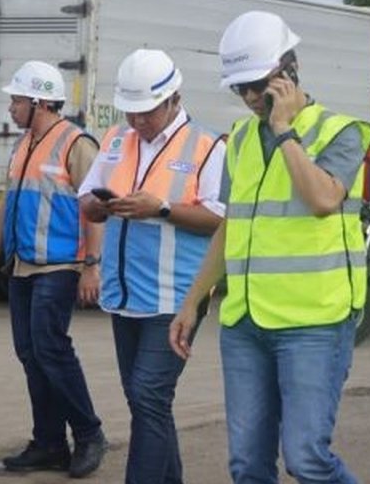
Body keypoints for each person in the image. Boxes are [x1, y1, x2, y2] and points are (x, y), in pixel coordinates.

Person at [170, 11, 370, 484]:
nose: (251, 98)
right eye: (241, 89)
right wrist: (192, 301)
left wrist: (285, 131)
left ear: (289, 70)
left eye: (259, 85)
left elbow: (322, 199)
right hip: (246, 323)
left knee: (306, 460)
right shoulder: (239, 138)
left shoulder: (341, 132)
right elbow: (231, 227)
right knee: (247, 465)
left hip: (315, 323)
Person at [79, 50, 224, 484]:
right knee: (146, 401)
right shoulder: (117, 139)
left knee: (148, 394)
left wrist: (160, 208)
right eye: (131, 111)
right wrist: (101, 208)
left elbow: (220, 219)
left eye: (146, 112)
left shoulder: (206, 145)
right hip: (125, 295)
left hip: (177, 296)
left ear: (173, 99)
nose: (137, 122)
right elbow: (86, 201)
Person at [0, 60, 108, 479]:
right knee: (31, 354)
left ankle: (88, 435)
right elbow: (7, 206)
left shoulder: (76, 144)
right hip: (23, 266)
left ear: (40, 102)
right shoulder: (22, 145)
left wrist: (92, 267)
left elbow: (96, 211)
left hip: (61, 264)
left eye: (16, 100)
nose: (10, 108)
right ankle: (49, 442)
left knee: (51, 349)